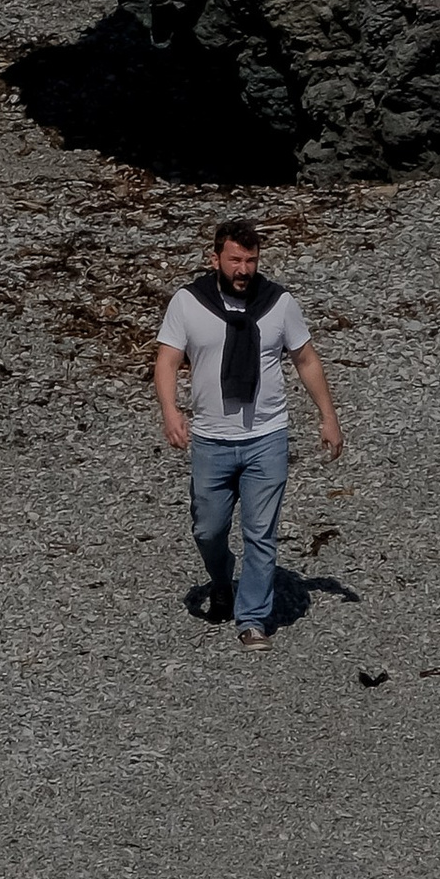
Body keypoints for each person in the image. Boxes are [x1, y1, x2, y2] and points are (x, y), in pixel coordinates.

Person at [154, 219, 344, 644]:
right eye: (235, 260)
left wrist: (328, 416)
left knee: (261, 532)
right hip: (211, 438)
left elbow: (306, 359)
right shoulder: (188, 303)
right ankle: (221, 581)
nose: (243, 269)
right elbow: (167, 361)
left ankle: (252, 620)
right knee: (208, 529)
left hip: (267, 436)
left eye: (251, 261)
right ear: (215, 258)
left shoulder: (279, 303)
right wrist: (170, 410)